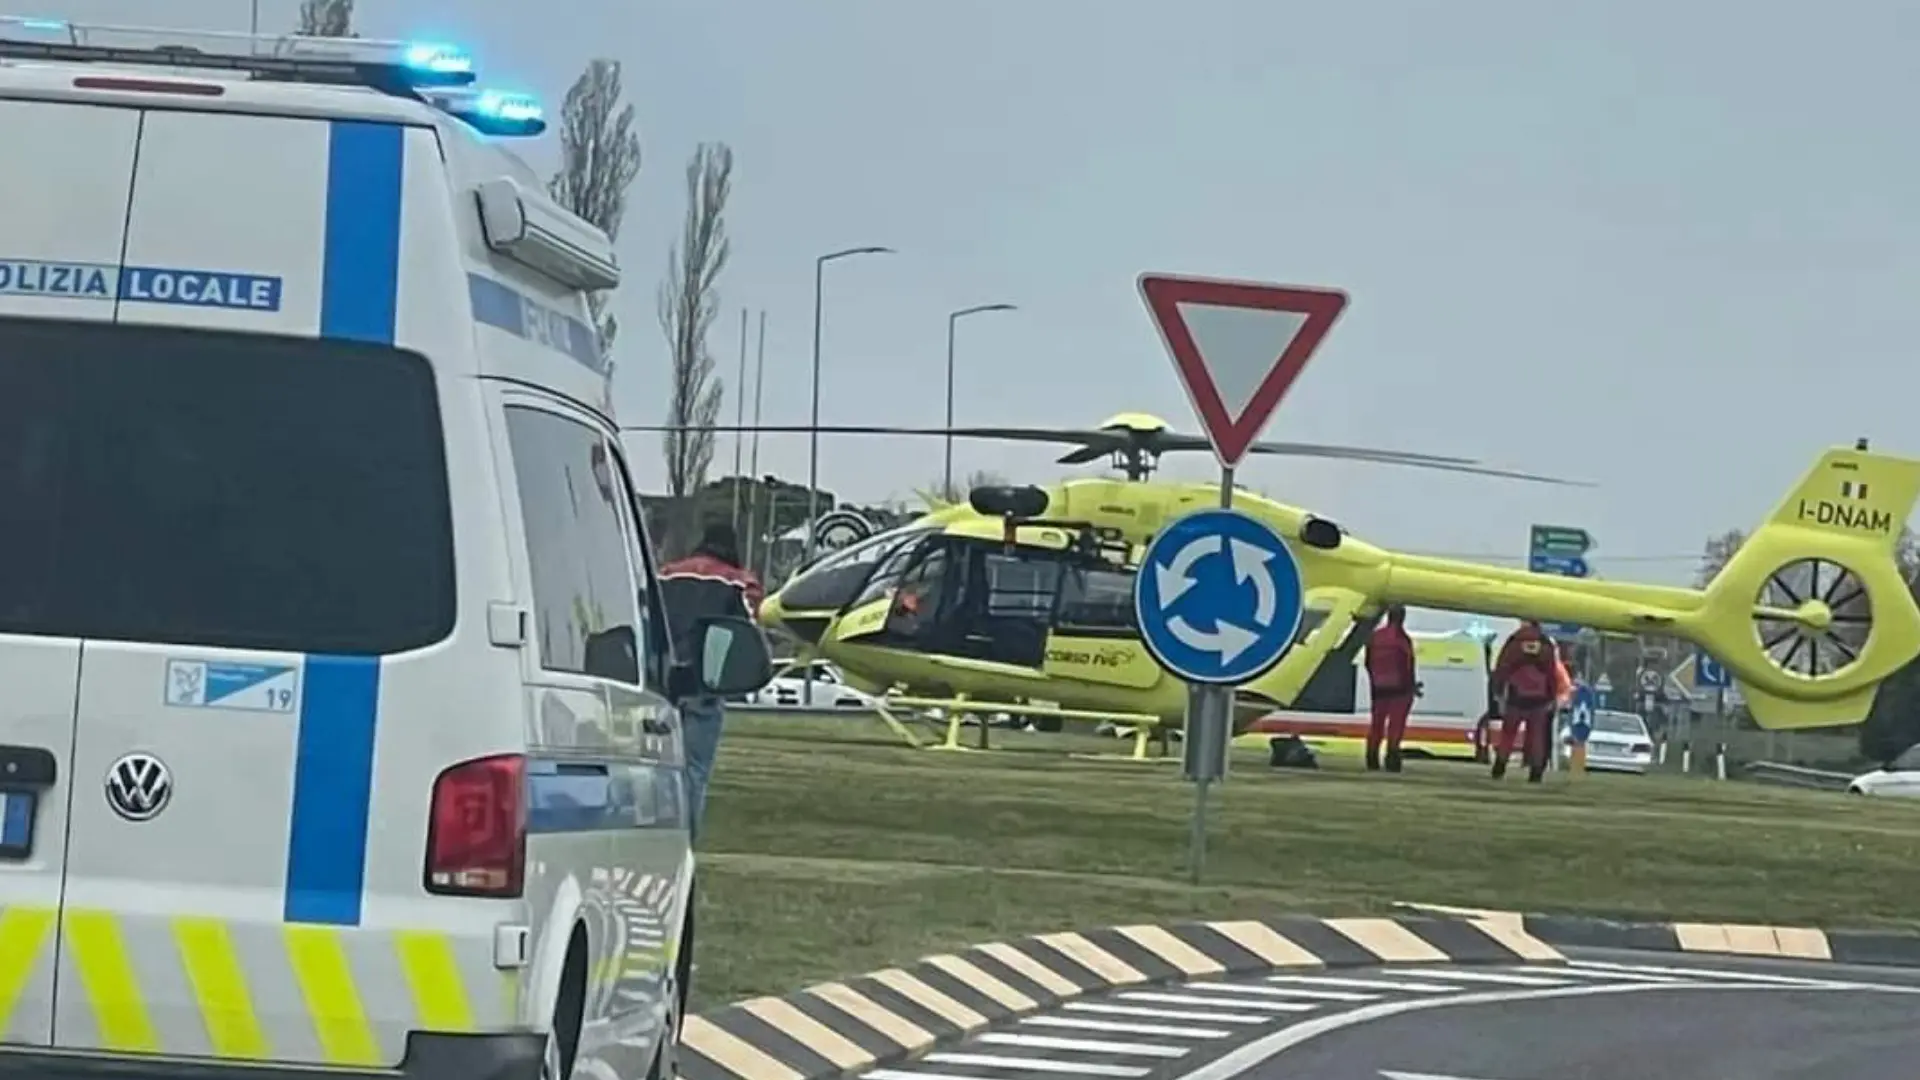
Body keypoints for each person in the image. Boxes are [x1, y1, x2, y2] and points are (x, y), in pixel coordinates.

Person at [658, 520, 764, 841]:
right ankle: (684, 844)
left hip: (662, 684)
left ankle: (655, 837)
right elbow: (749, 629)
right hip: (704, 685)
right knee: (694, 772)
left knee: (657, 772)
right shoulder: (737, 582)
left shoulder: (667, 574)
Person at [1490, 620, 1558, 782]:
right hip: (1539, 698)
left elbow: (1503, 667)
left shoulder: (1515, 642)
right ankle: (1535, 772)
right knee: (1536, 736)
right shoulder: (1544, 644)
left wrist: (1498, 691)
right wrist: (1552, 695)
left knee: (1508, 734)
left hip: (1516, 696)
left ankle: (1500, 766)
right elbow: (1551, 672)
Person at [1363, 604, 1421, 772]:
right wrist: (1411, 686)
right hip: (1400, 690)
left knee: (1377, 724)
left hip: (1379, 688)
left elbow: (1368, 662)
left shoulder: (1375, 637)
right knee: (1396, 725)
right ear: (1401, 618)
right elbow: (1408, 665)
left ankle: (1372, 757)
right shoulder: (1402, 639)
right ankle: (1392, 758)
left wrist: (1374, 680)